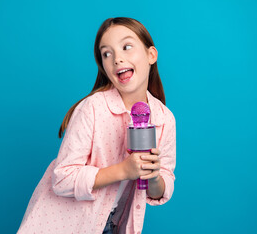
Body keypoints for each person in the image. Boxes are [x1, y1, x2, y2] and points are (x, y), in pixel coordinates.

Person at [17, 17, 176, 234]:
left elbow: (161, 188)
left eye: (127, 47)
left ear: (151, 55)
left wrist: (153, 176)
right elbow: (62, 178)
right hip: (65, 225)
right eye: (106, 54)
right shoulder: (92, 109)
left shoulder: (164, 119)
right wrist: (123, 170)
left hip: (109, 225)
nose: (117, 58)